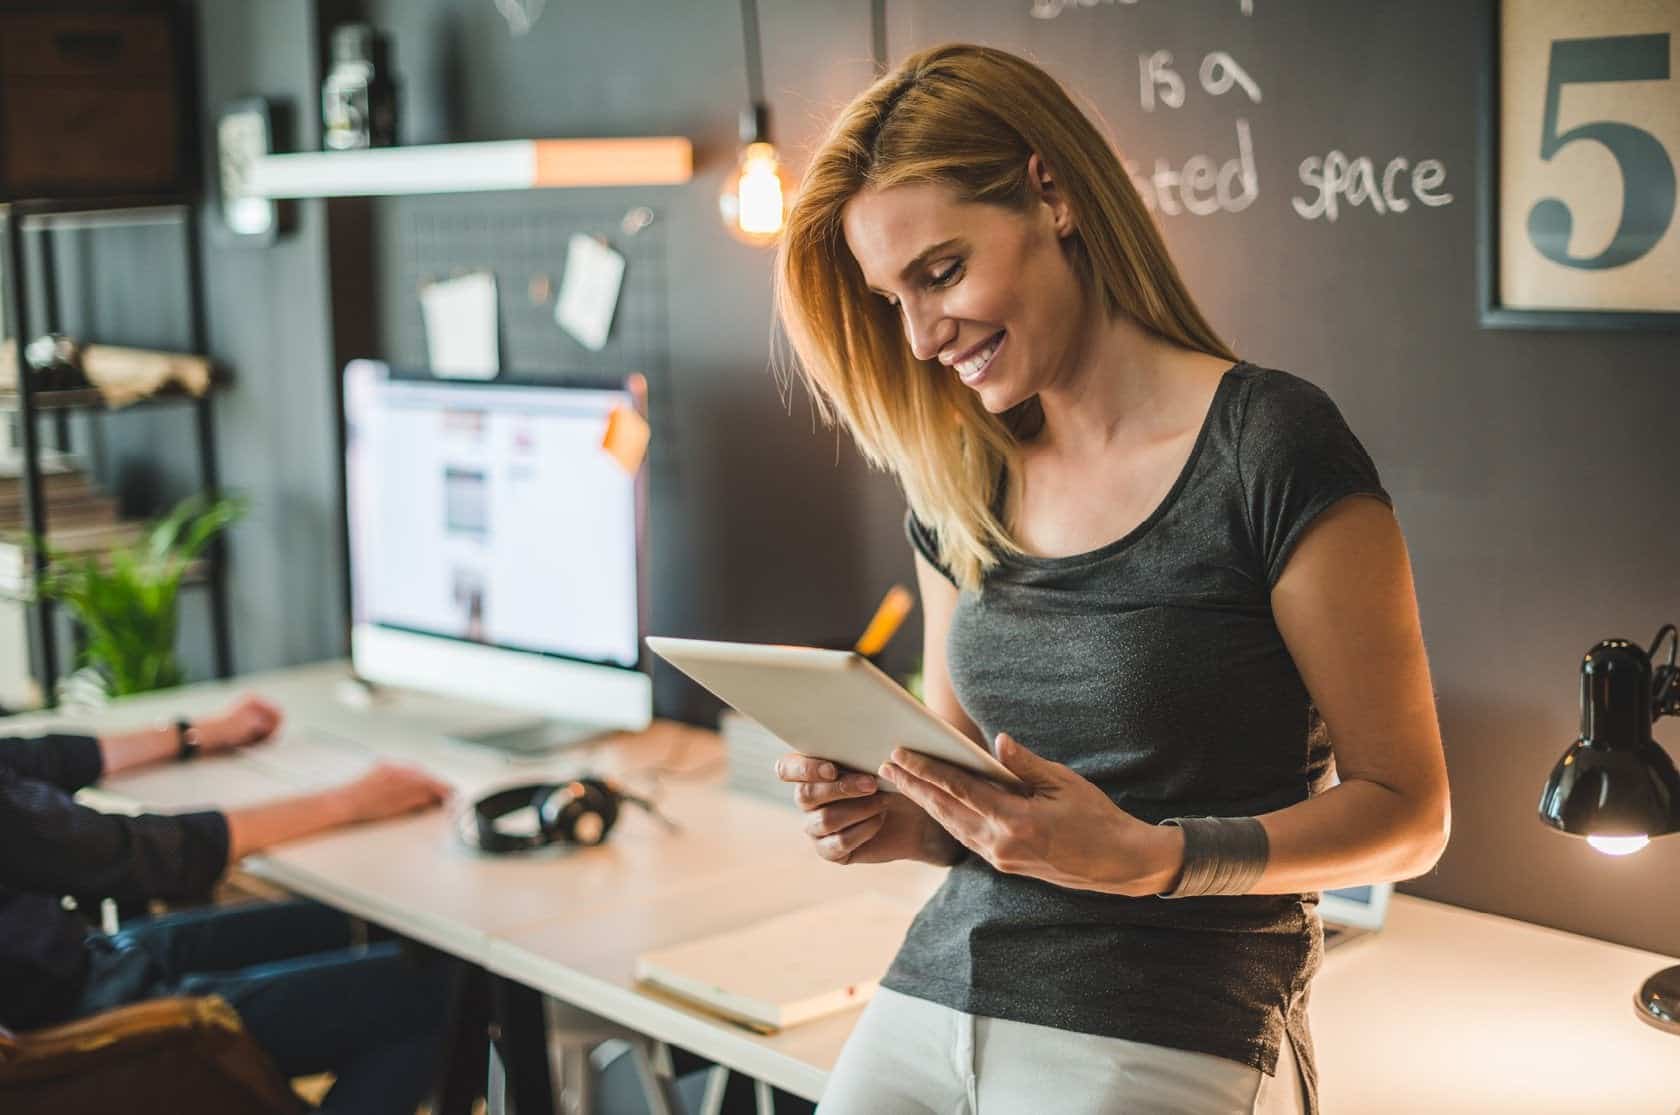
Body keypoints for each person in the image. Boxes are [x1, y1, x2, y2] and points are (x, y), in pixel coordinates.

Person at [771, 44, 1450, 1115]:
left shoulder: (1268, 447)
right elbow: (975, 790)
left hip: (1170, 1018)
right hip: (934, 994)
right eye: (891, 296)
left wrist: (1157, 858)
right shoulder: (961, 477)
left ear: (1053, 192)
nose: (920, 336)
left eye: (942, 272)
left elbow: (1411, 813)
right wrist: (902, 819)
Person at [0, 693, 457, 1115]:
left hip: (73, 967)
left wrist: (192, 734)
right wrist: (352, 802)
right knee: (441, 990)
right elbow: (147, 856)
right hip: (75, 1035)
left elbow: (31, 760)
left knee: (348, 922)